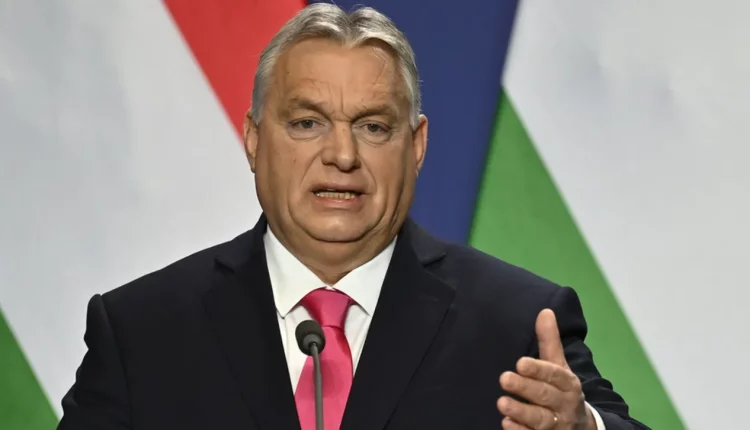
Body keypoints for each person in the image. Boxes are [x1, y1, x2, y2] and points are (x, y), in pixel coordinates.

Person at [58, 4, 647, 430]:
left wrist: (583, 427)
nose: (342, 155)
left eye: (373, 126)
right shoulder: (143, 331)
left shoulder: (516, 324)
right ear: (255, 141)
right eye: (307, 123)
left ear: (415, 146)